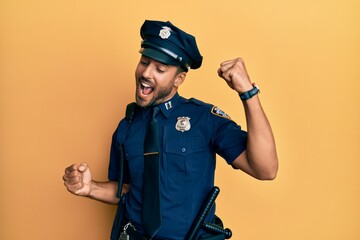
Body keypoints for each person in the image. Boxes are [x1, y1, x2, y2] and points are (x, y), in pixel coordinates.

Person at [63, 20, 278, 240]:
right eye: (144, 61)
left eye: (160, 68)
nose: (146, 73)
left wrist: (248, 93)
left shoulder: (204, 118)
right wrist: (90, 188)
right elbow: (127, 190)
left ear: (179, 79)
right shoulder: (126, 127)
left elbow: (265, 169)